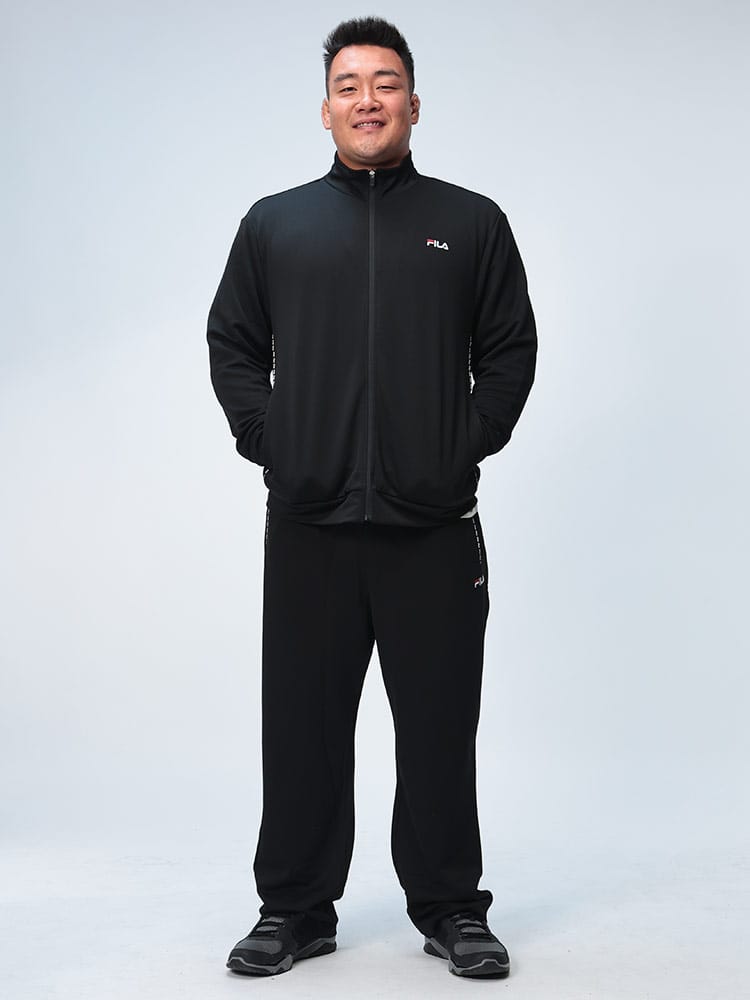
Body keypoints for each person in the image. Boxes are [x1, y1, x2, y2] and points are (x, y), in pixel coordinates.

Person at [206, 15, 537, 980]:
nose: (367, 100)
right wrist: (274, 441)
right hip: (309, 524)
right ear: (325, 110)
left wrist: (458, 445)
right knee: (302, 727)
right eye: (348, 86)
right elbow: (233, 344)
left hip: (432, 526)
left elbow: (510, 350)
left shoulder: (471, 222)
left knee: (438, 726)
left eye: (385, 84)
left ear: (413, 104)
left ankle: (451, 908)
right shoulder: (276, 224)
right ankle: (293, 910)